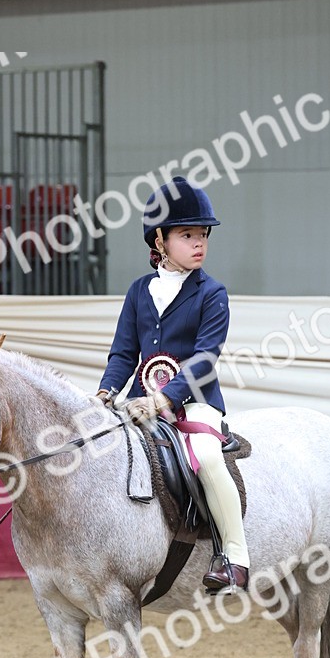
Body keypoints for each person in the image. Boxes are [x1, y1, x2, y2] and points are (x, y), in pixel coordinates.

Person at [97, 176, 249, 592]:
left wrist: (164, 397)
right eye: (188, 235)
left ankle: (235, 556)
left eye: (203, 235)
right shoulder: (138, 291)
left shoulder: (212, 293)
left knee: (207, 457)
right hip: (138, 401)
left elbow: (204, 360)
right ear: (160, 240)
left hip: (196, 404)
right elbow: (124, 354)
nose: (199, 243)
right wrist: (107, 392)